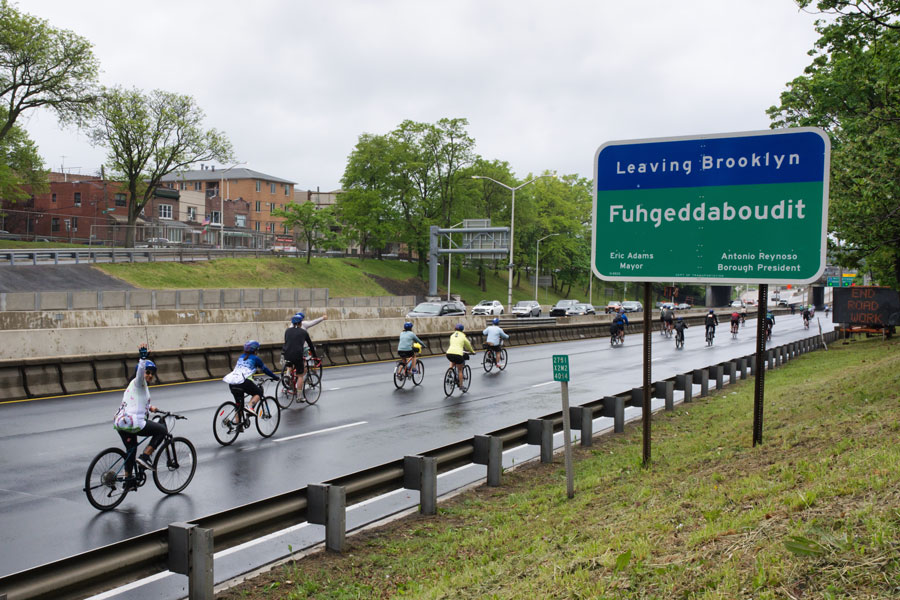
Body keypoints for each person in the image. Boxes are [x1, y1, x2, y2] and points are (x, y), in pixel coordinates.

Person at [113, 344, 164, 480]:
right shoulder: (138, 382)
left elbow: (136, 404)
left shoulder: (137, 388)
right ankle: (145, 456)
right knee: (162, 430)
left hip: (121, 422)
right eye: (148, 372)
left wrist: (150, 407)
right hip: (133, 423)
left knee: (131, 450)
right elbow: (140, 373)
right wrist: (142, 359)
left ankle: (128, 480)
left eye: (152, 374)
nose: (150, 376)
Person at [224, 340, 278, 416]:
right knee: (258, 393)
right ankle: (250, 406)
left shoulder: (241, 357)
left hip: (232, 383)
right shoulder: (255, 358)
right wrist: (275, 377)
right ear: (255, 350)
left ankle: (238, 426)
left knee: (239, 406)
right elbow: (265, 370)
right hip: (243, 382)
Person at [282, 315, 317, 396]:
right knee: (300, 375)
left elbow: (287, 342)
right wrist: (315, 356)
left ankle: (287, 375)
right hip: (297, 355)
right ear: (301, 323)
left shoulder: (287, 331)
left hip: (286, 354)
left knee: (290, 364)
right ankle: (299, 396)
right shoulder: (304, 332)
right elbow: (310, 345)